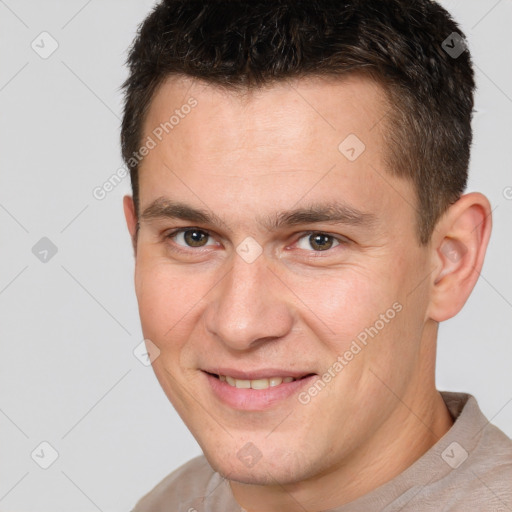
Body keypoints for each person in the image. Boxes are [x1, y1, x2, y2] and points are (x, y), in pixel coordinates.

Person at [120, 0, 512, 510]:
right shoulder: (174, 502)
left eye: (317, 240)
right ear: (135, 241)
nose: (240, 324)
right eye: (194, 237)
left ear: (449, 261)